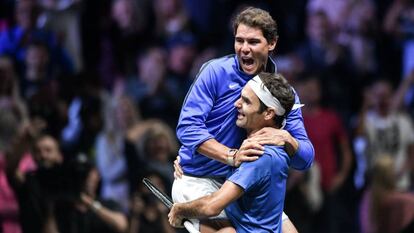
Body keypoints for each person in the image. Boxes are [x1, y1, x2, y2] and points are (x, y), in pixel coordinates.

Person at [172, 6, 314, 232]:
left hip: (246, 183)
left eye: (253, 42)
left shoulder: (282, 94)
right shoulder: (214, 72)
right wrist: (230, 156)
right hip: (200, 179)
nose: (244, 49)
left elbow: (305, 159)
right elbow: (188, 128)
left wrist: (287, 137)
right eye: (239, 41)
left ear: (272, 43)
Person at [169, 72, 295, 232]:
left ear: (268, 113)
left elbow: (211, 207)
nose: (236, 104)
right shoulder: (278, 148)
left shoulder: (257, 155)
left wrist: (179, 210)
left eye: (247, 102)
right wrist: (191, 160)